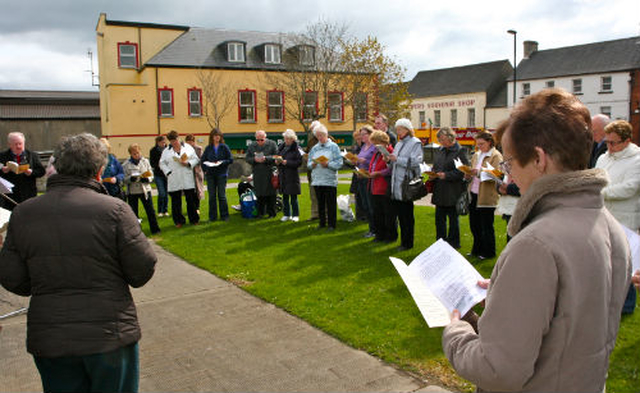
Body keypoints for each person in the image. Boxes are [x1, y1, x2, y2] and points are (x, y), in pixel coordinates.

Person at [442, 88, 631, 392]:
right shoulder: (611, 227)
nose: (508, 174)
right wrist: (508, 291)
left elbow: (497, 369)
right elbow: (571, 316)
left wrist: (456, 331)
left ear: (539, 159)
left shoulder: (536, 244)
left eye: (511, 162)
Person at [0, 133, 157, 392]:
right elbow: (141, 270)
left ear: (57, 166)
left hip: (53, 338)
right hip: (109, 334)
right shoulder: (115, 211)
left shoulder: (24, 214)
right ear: (99, 170)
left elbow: (13, 277)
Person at [595, 119, 640, 314]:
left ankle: (627, 304)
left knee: (626, 263)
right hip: (604, 215)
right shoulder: (604, 157)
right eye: (607, 142)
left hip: (626, 218)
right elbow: (596, 177)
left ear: (627, 141)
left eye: (614, 143)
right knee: (606, 260)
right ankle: (608, 300)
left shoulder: (637, 159)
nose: (610, 147)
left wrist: (602, 192)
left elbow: (630, 187)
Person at [429, 126, 469, 249]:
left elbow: (463, 171)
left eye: (442, 139)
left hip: (453, 190)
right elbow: (436, 166)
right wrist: (432, 173)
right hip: (440, 189)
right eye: (439, 140)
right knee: (439, 219)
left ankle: (454, 243)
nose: (440, 142)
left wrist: (446, 175)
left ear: (450, 138)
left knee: (453, 219)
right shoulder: (440, 151)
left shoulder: (460, 151)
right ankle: (440, 242)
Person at [465, 131, 502, 259]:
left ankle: (489, 252)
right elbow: (472, 170)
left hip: (487, 195)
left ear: (489, 142)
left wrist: (479, 172)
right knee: (474, 225)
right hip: (474, 192)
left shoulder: (496, 156)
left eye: (481, 144)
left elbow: (498, 175)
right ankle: (476, 249)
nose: (479, 146)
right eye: (477, 144)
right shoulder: (476, 155)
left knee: (486, 226)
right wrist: (468, 174)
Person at [388, 118, 423, 251]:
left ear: (407, 129)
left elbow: (416, 161)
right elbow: (394, 163)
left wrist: (398, 159)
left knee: (407, 215)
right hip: (396, 183)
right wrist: (389, 160)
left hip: (406, 184)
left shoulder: (415, 143)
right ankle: (403, 241)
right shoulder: (399, 143)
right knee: (401, 215)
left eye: (400, 129)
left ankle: (408, 242)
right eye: (397, 129)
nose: (398, 132)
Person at [160, 130, 200, 227]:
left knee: (190, 199)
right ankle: (179, 221)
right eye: (172, 141)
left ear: (178, 138)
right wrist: (168, 172)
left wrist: (188, 163)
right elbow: (161, 163)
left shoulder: (188, 147)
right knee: (176, 201)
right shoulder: (166, 151)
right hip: (174, 177)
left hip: (186, 175)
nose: (174, 143)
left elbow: (196, 159)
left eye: (175, 140)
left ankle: (194, 219)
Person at [307, 124, 342, 231]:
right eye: (317, 136)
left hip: (329, 179)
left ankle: (332, 224)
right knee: (320, 203)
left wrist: (328, 164)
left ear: (326, 135)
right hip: (317, 179)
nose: (320, 138)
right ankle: (322, 223)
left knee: (330, 203)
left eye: (321, 136)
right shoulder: (315, 148)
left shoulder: (334, 147)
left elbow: (339, 163)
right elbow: (308, 163)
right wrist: (312, 165)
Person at [0, 132, 45, 210]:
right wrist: (3, 170)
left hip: (28, 194)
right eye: (15, 144)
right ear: (10, 144)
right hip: (9, 196)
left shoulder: (32, 155)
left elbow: (41, 171)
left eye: (20, 144)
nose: (18, 146)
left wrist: (31, 172)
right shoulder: (2, 156)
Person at [122, 144, 161, 234]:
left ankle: (155, 229)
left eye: (138, 153)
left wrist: (148, 179)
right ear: (130, 154)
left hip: (145, 189)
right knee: (134, 212)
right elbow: (124, 178)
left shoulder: (145, 161)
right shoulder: (126, 164)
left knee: (150, 210)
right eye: (134, 154)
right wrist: (130, 179)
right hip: (132, 191)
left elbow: (151, 173)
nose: (136, 155)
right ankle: (135, 231)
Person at [368, 130, 396, 243]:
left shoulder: (389, 151)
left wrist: (379, 173)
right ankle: (379, 235)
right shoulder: (376, 153)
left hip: (384, 186)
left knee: (388, 213)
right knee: (377, 213)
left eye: (376, 143)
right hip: (375, 186)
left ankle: (390, 236)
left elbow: (391, 169)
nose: (374, 146)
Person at [201, 128, 233, 222]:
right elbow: (202, 160)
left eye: (218, 135)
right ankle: (212, 217)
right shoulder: (208, 148)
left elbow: (230, 159)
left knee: (222, 196)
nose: (217, 137)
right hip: (211, 174)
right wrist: (205, 170)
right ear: (212, 137)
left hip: (221, 174)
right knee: (212, 196)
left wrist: (221, 162)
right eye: (215, 136)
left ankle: (224, 216)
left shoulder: (224, 147)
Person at [246, 130, 278, 218]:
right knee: (259, 194)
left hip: (269, 171)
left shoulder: (272, 144)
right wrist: (254, 160)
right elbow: (247, 158)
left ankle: (272, 213)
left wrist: (266, 158)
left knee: (271, 194)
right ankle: (260, 213)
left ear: (265, 138)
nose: (259, 142)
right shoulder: (252, 146)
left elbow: (277, 156)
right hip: (257, 172)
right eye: (258, 140)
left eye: (262, 140)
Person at [276, 129, 303, 222]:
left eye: (288, 139)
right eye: (285, 138)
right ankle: (286, 214)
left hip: (292, 176)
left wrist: (287, 162)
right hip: (283, 175)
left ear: (293, 139)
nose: (286, 140)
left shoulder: (297, 149)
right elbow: (277, 156)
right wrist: (277, 161)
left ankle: (296, 215)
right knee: (285, 197)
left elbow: (299, 162)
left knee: (293, 197)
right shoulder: (281, 148)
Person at [355, 125, 377, 237]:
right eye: (361, 134)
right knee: (364, 204)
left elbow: (375, 162)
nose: (362, 136)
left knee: (370, 205)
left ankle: (374, 229)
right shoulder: (363, 147)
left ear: (370, 134)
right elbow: (360, 160)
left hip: (369, 178)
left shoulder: (374, 147)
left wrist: (365, 161)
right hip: (361, 177)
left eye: (364, 134)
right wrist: (356, 161)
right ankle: (371, 228)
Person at [349, 128, 366, 221]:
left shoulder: (365, 147)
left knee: (364, 196)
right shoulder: (355, 148)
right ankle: (359, 216)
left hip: (363, 173)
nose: (358, 140)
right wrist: (351, 161)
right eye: (356, 138)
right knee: (357, 195)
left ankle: (365, 215)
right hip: (356, 173)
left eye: (359, 138)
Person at [305, 120, 321, 221]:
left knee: (322, 195)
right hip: (311, 172)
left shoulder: (329, 140)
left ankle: (325, 215)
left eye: (313, 130)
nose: (312, 132)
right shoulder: (311, 141)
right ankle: (315, 214)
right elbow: (307, 152)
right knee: (313, 195)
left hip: (322, 172)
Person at [149, 135, 169, 217]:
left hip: (167, 174)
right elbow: (152, 163)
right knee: (161, 193)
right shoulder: (153, 151)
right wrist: (159, 165)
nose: (163, 144)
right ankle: (160, 210)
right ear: (158, 142)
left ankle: (165, 210)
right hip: (158, 174)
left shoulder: (168, 150)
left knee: (166, 193)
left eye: (164, 142)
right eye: (162, 142)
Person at [185, 134, 205, 213]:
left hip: (196, 172)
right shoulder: (184, 149)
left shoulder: (198, 149)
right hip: (187, 173)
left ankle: (197, 207)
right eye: (188, 142)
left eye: (191, 142)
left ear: (193, 142)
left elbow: (201, 160)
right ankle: (190, 207)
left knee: (197, 190)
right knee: (189, 191)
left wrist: (192, 162)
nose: (189, 144)